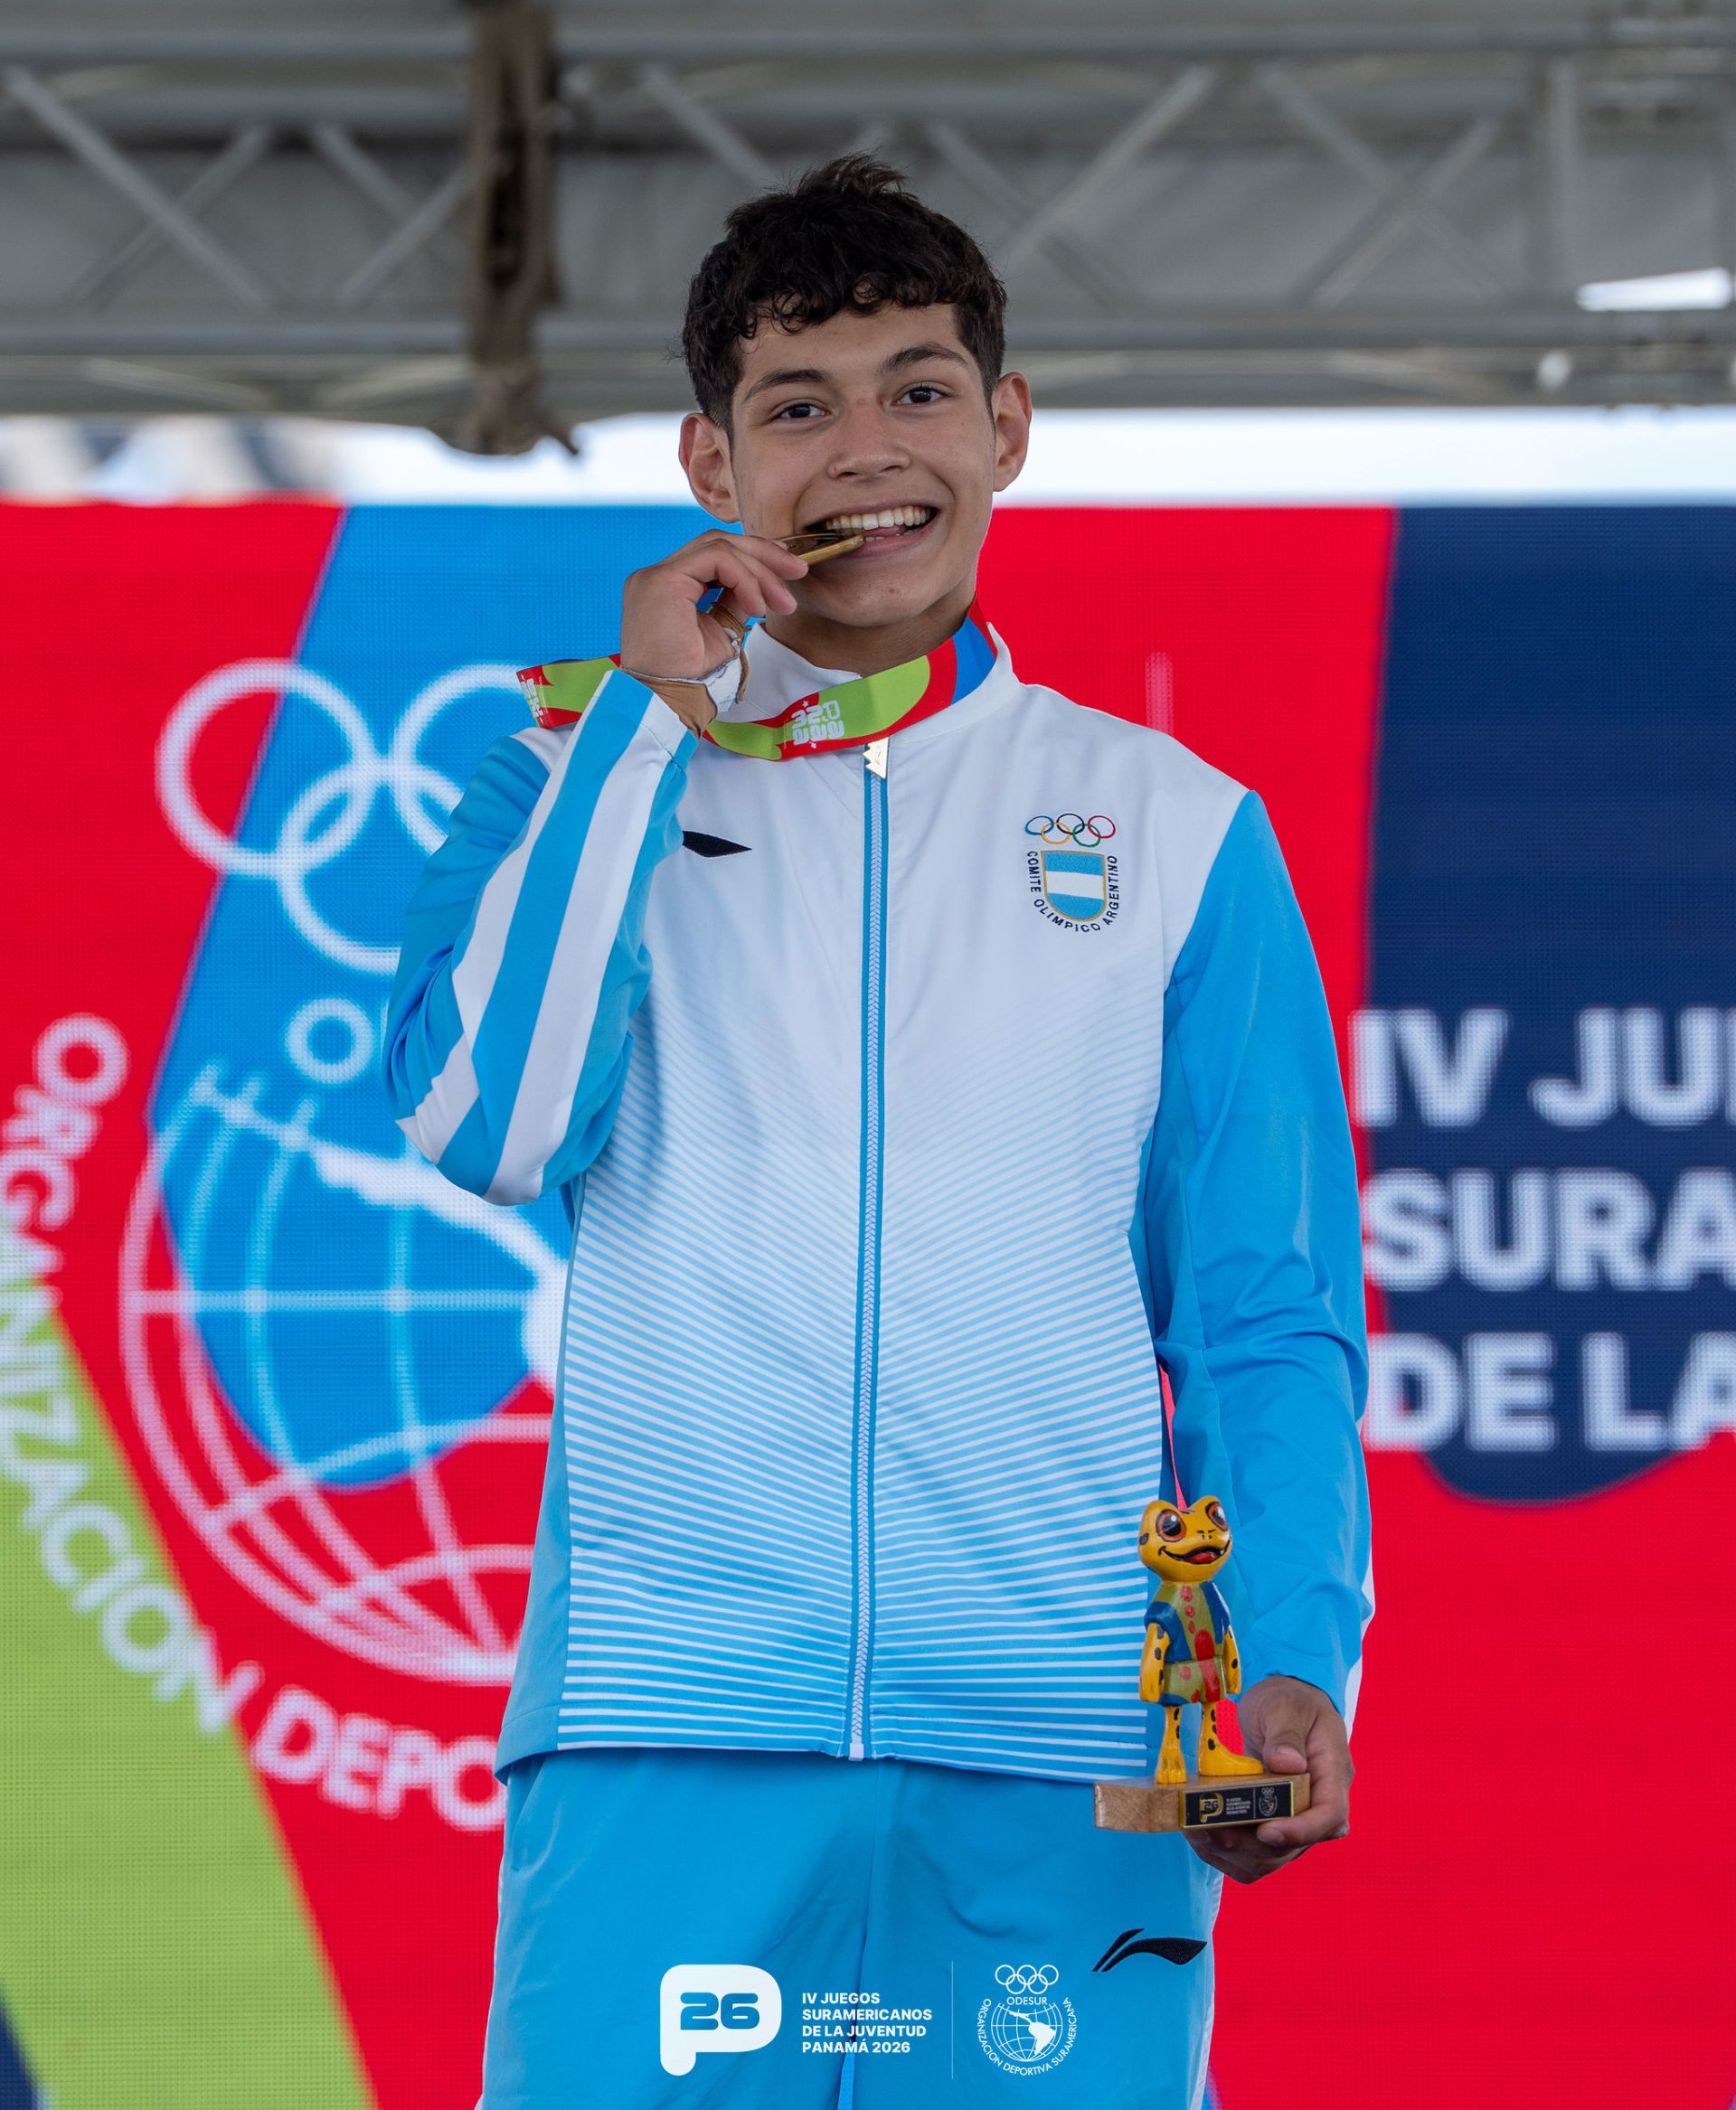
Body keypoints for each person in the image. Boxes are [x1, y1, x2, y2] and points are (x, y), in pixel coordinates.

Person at [383, 155, 1371, 2110]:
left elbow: (1267, 1313)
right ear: (706, 459)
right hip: (672, 1724)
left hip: (1064, 1742)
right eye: (797, 404)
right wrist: (644, 733)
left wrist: (1293, 1656)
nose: (868, 452)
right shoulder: (560, 768)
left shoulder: (1176, 826)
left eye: (920, 389)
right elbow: (490, 1122)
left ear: (1007, 429)